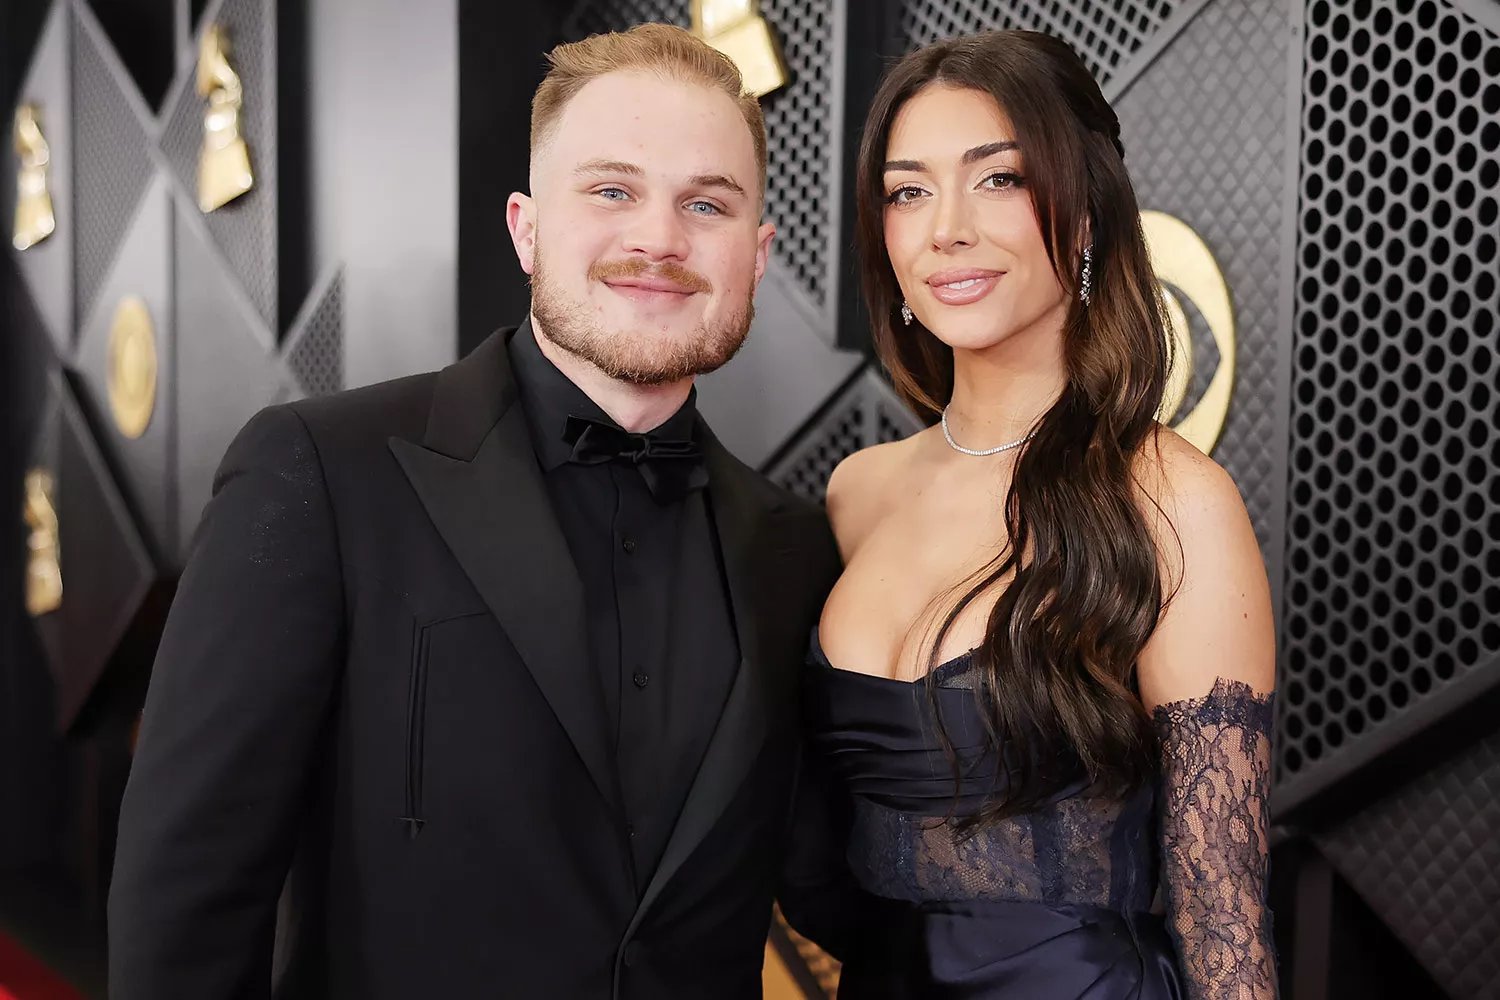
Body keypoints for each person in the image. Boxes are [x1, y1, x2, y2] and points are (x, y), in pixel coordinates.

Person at [108, 24, 839, 999]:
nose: (659, 238)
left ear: (757, 253)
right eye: (612, 190)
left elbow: (834, 882)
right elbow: (187, 893)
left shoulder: (793, 547)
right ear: (526, 227)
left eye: (706, 203)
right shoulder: (322, 474)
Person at [779, 30, 1277, 999]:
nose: (946, 229)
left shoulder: (1170, 500)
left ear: (1084, 211)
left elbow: (1224, 920)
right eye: (907, 190)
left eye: (997, 179)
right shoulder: (857, 489)